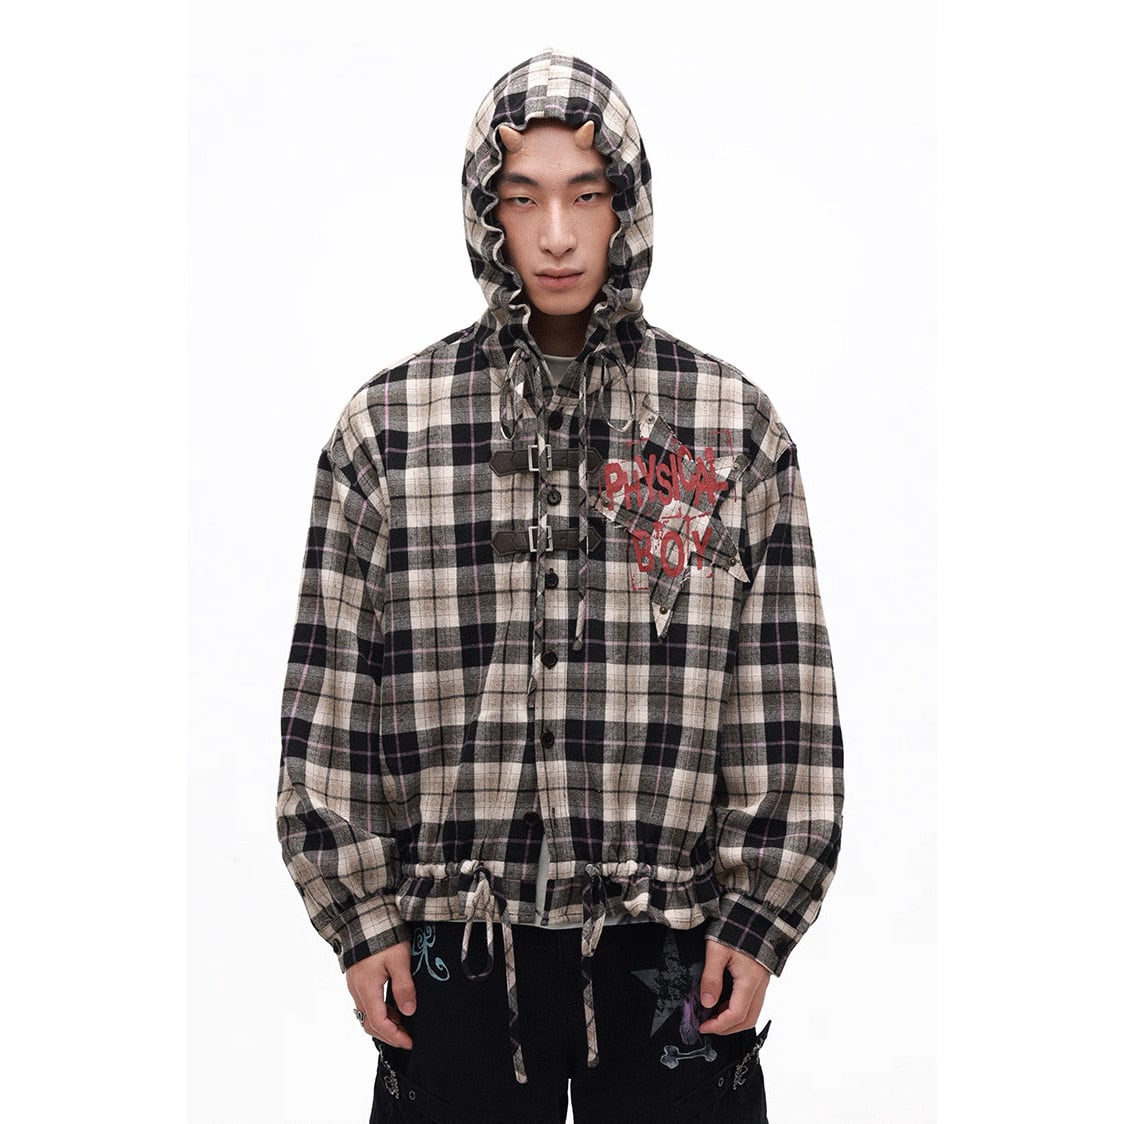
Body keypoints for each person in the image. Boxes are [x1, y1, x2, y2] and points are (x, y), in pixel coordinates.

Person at [278, 49, 843, 1124]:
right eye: (521, 197)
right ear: (483, 211)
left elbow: (782, 686)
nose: (554, 235)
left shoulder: (729, 428)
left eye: (585, 195)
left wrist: (760, 912)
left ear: (626, 206)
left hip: (676, 943)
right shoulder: (387, 433)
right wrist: (359, 919)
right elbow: (332, 688)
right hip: (452, 943)